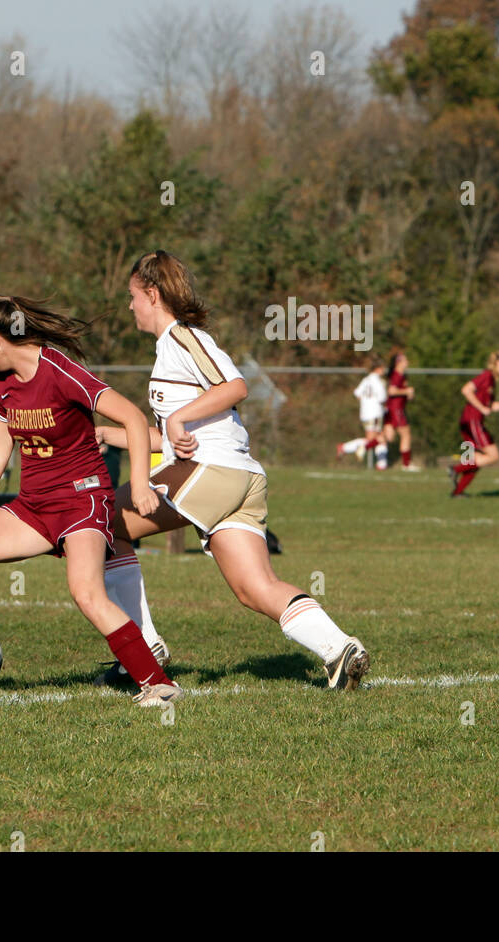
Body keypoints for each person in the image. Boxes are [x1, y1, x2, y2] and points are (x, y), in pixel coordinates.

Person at [97, 250, 370, 691]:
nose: (129, 306)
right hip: (237, 480)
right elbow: (172, 433)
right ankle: (339, 649)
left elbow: (235, 385)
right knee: (256, 588)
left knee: (100, 525)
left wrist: (180, 419)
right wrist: (110, 435)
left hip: (213, 472)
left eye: (132, 296)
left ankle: (140, 651)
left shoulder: (183, 337)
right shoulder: (170, 347)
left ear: (152, 294)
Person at [0, 295, 180, 706]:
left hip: (82, 501)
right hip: (34, 507)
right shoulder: (2, 384)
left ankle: (157, 683)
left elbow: (133, 419)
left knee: (86, 592)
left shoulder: (60, 370)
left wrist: (138, 485)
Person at [449, 351, 499, 497]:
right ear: (498, 364)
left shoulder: (492, 380)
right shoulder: (486, 376)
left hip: (469, 421)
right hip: (473, 421)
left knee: (475, 460)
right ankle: (455, 469)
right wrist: (481, 408)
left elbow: (491, 406)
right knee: (493, 455)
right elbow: (466, 390)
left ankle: (458, 492)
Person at [337, 358, 388, 469]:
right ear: (379, 369)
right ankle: (344, 447)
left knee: (380, 437)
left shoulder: (366, 380)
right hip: (375, 413)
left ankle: (382, 465)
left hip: (365, 412)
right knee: (375, 439)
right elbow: (382, 398)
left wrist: (366, 402)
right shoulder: (378, 381)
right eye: (383, 368)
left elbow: (357, 394)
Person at [382, 350, 419, 470]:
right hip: (396, 409)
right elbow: (391, 391)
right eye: (405, 360)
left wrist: (408, 394)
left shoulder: (402, 375)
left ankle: (362, 446)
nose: (407, 362)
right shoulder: (397, 375)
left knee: (387, 437)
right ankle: (406, 464)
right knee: (406, 434)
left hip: (397, 408)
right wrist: (406, 391)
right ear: (399, 362)